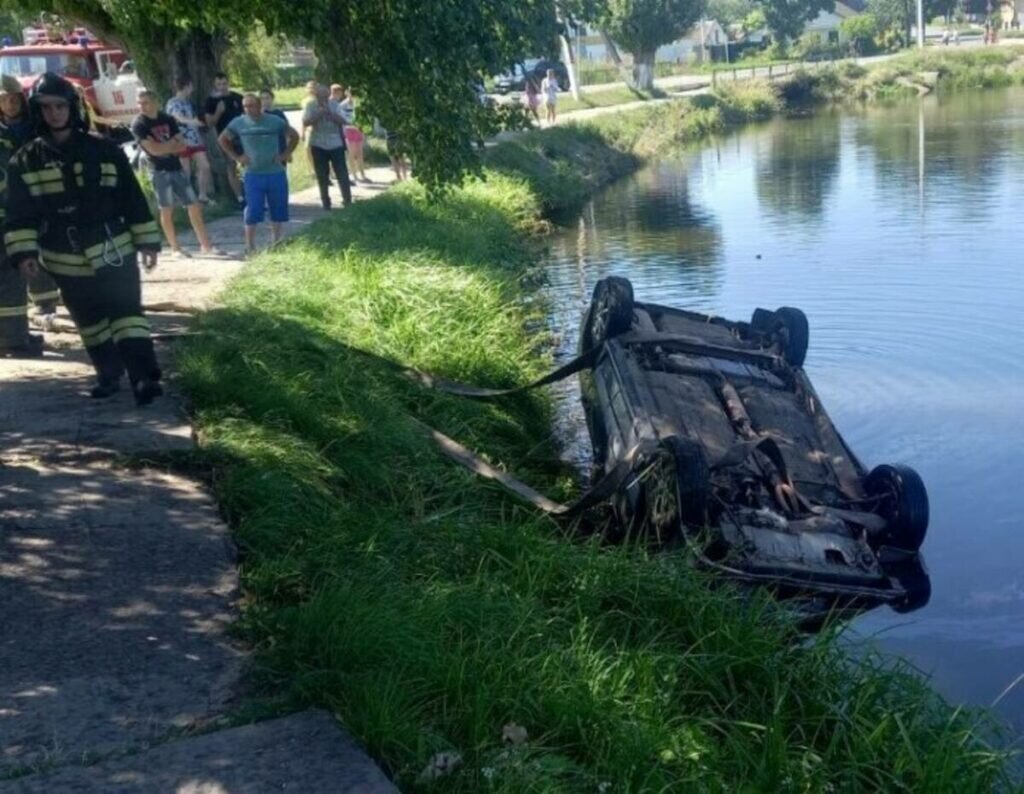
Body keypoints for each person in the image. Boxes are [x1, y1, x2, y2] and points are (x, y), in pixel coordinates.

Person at [4, 72, 164, 405]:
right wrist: (24, 253)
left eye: (60, 106)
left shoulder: (104, 150)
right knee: (89, 320)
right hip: (63, 256)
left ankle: (143, 378)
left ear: (72, 107)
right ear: (37, 111)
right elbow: (20, 213)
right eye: (46, 108)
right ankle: (108, 375)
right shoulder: (25, 160)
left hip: (112, 248)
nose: (54, 114)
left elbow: (131, 199)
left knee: (127, 314)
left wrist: (148, 241)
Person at [0, 74, 60, 341]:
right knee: (17, 259)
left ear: (22, 100)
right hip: (8, 205)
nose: (10, 104)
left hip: (40, 198)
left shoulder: (36, 126)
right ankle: (18, 329)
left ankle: (46, 304)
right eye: (4, 99)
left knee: (43, 251)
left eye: (14, 98)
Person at [132, 89, 224, 258]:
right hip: (158, 170)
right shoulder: (139, 124)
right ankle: (175, 248)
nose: (141, 106)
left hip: (176, 167)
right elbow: (154, 150)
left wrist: (166, 146)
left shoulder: (167, 119)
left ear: (154, 103)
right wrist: (170, 144)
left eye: (145, 102)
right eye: (139, 103)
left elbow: (182, 146)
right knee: (166, 209)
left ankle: (206, 245)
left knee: (194, 205)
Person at [218, 93, 299, 255]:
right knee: (253, 208)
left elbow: (294, 135)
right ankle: (250, 245)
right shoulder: (239, 123)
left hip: (275, 171)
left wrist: (284, 154)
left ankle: (276, 241)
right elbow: (222, 139)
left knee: (278, 207)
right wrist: (237, 157)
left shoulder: (274, 121)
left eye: (251, 105)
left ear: (259, 105)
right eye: (245, 106)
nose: (248, 109)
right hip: (253, 173)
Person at [302, 84, 351, 209]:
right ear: (316, 95)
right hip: (318, 143)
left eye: (325, 95)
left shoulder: (334, 104)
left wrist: (330, 114)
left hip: (335, 142)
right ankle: (326, 201)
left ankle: (347, 200)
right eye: (320, 95)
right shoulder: (310, 105)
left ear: (328, 94)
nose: (323, 98)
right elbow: (306, 122)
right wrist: (318, 114)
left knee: (342, 173)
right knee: (322, 174)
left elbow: (344, 121)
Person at [166, 76, 212, 203]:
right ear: (187, 86)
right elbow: (178, 118)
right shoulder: (173, 102)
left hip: (195, 139)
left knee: (205, 166)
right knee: (185, 170)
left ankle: (202, 195)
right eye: (191, 86)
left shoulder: (189, 102)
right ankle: (185, 197)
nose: (192, 89)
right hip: (181, 140)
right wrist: (193, 122)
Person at [203, 72, 245, 207]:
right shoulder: (211, 101)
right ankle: (240, 199)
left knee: (247, 164)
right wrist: (219, 111)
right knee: (231, 166)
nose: (222, 87)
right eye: (219, 84)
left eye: (224, 84)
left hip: (243, 136)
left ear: (228, 83)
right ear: (215, 85)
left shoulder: (238, 98)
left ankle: (253, 194)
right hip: (225, 138)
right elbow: (209, 123)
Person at [333, 84, 370, 183]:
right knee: (352, 154)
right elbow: (342, 118)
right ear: (346, 93)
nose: (352, 95)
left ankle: (363, 175)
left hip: (358, 130)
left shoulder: (358, 104)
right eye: (350, 93)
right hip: (349, 130)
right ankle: (354, 176)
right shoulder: (342, 105)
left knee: (360, 153)